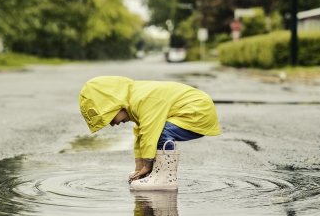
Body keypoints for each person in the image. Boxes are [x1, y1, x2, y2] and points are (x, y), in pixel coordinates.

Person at [79, 76, 220, 190]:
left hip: (198, 111)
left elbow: (150, 132)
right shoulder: (133, 100)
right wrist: (139, 166)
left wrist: (148, 165)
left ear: (113, 104)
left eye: (109, 118)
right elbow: (140, 133)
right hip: (192, 110)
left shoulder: (141, 99)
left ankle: (165, 177)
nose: (111, 124)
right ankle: (157, 173)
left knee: (158, 132)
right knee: (150, 132)